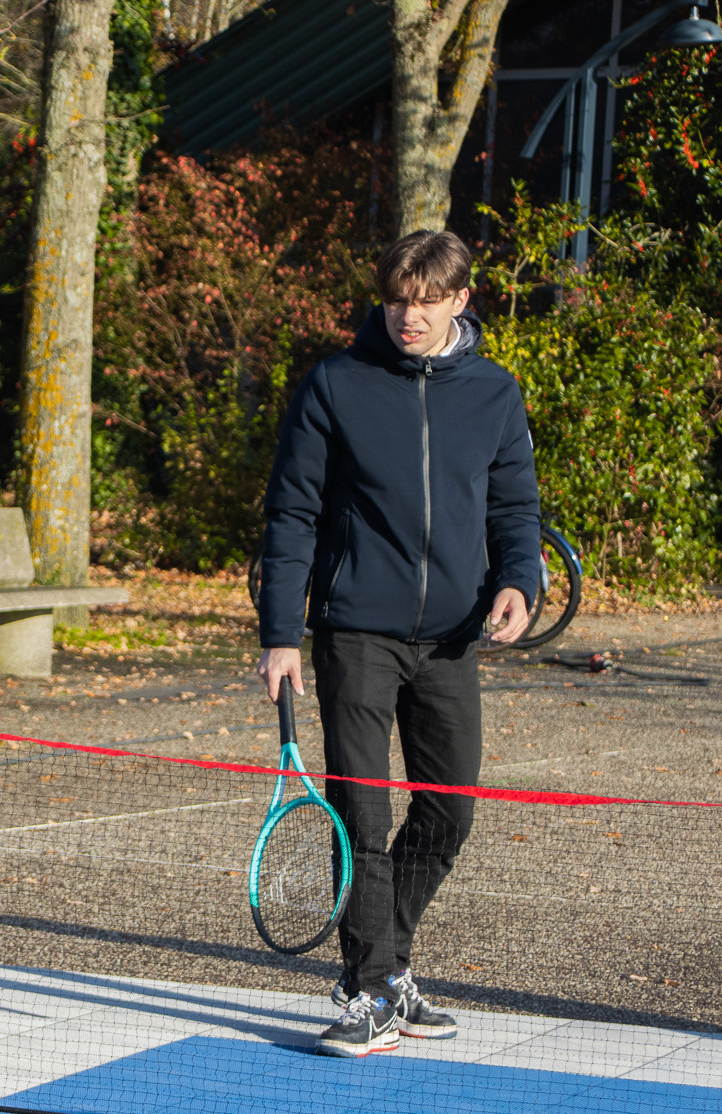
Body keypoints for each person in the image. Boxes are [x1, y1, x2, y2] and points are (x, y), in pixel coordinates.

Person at [254, 230, 540, 1060]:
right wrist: (282, 633)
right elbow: (292, 514)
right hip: (356, 633)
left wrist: (519, 583)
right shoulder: (336, 385)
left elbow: (515, 511)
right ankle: (375, 985)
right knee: (362, 814)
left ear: (460, 300)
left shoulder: (493, 394)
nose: (407, 316)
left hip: (453, 639)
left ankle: (385, 964)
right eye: (396, 299)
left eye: (424, 301)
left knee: (450, 811)